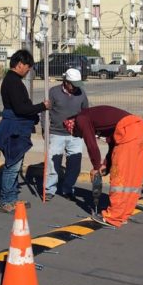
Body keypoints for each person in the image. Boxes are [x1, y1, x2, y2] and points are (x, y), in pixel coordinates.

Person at [64, 105, 143, 228]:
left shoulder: (81, 119)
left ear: (73, 126)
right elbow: (113, 144)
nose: (80, 136)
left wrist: (96, 167)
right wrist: (106, 165)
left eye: (77, 134)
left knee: (119, 177)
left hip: (129, 133)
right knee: (132, 177)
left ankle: (113, 218)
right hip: (140, 130)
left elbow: (91, 145)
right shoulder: (95, 119)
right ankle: (123, 215)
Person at [0, 49, 50, 214]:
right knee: (12, 166)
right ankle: (6, 201)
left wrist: (34, 113)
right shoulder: (13, 82)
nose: (29, 69)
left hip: (17, 127)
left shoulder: (13, 80)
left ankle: (12, 198)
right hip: (14, 129)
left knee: (16, 165)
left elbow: (23, 108)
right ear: (20, 64)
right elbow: (21, 108)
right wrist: (41, 107)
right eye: (28, 66)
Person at [43, 68, 89, 201]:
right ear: (66, 82)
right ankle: (49, 189)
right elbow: (45, 111)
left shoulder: (81, 93)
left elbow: (86, 113)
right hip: (56, 133)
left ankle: (68, 188)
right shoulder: (53, 92)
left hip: (75, 135)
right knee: (53, 163)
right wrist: (45, 130)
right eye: (73, 85)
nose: (76, 88)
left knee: (75, 163)